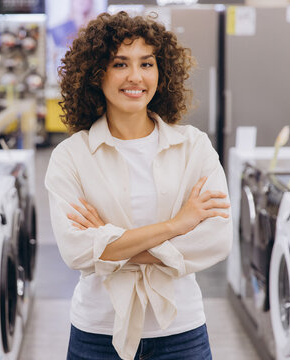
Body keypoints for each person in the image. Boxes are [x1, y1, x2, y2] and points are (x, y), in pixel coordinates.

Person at [45, 11, 232, 360]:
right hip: (98, 332)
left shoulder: (194, 147)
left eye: (146, 63)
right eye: (120, 64)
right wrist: (176, 226)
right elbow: (76, 251)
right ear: (95, 74)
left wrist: (110, 244)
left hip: (180, 330)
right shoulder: (71, 156)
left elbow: (215, 240)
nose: (135, 76)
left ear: (161, 73)